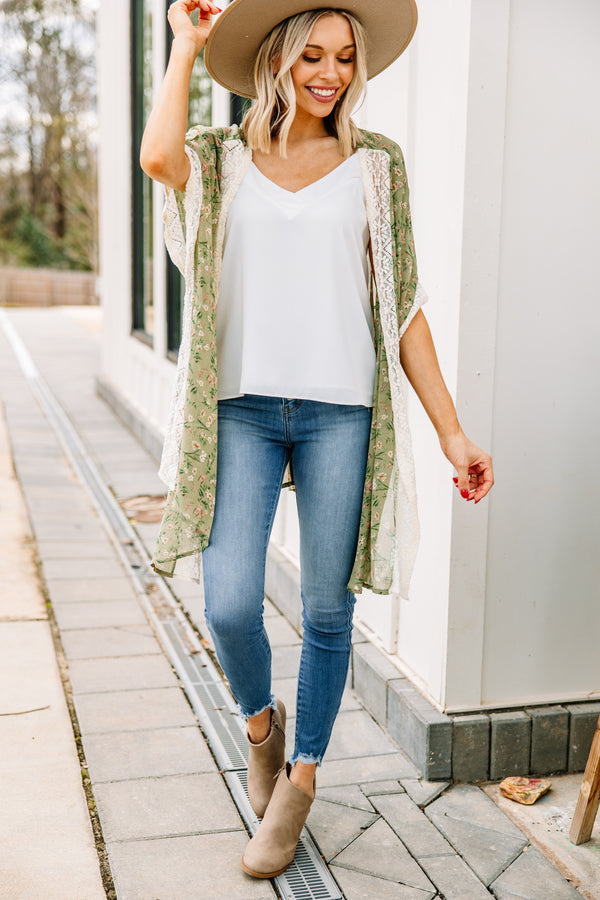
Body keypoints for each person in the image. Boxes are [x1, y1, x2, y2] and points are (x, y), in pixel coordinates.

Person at [140, 0, 494, 879]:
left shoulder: (377, 166)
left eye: (342, 58)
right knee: (228, 600)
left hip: (343, 411)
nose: (329, 74)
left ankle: (298, 787)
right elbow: (155, 157)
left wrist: (452, 433)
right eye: (311, 59)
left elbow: (402, 307)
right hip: (241, 409)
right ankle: (262, 728)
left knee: (330, 610)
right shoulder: (223, 160)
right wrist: (186, 43)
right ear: (276, 63)